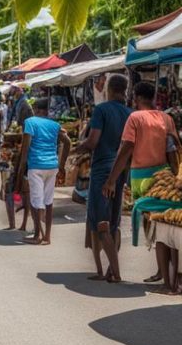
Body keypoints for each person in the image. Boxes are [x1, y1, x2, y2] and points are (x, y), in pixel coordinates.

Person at [103, 81, 180, 289]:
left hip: (142, 179)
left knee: (158, 227)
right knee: (166, 224)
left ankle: (166, 277)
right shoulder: (167, 118)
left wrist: (111, 179)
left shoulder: (134, 118)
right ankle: (164, 273)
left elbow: (126, 148)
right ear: (153, 97)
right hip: (166, 177)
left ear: (135, 97)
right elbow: (173, 150)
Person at [75, 75, 131, 282]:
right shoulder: (130, 113)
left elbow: (92, 141)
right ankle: (109, 270)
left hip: (102, 172)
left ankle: (115, 272)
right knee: (114, 222)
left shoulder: (102, 110)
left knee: (101, 222)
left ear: (109, 88)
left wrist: (75, 149)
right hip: (122, 171)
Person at [16, 98, 72, 246]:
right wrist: (62, 165)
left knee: (36, 202)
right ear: (47, 111)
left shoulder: (30, 122)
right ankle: (47, 236)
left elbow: (25, 148)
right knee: (48, 202)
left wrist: (21, 168)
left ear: (35, 109)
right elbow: (68, 143)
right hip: (52, 166)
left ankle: (37, 235)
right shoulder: (55, 125)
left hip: (36, 166)